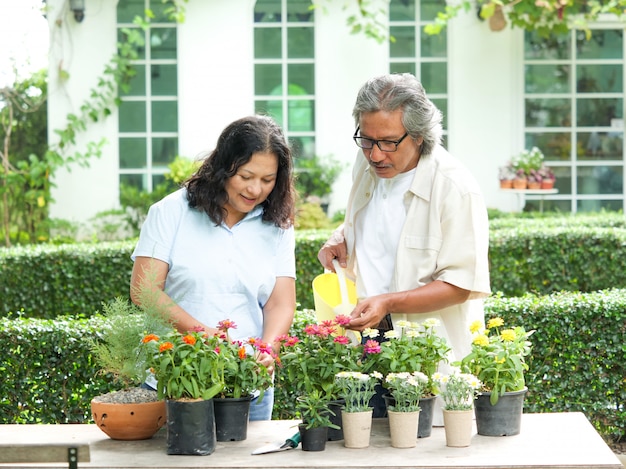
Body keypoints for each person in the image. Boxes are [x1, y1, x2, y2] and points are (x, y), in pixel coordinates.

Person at [317, 73, 491, 422]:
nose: (375, 154)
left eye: (388, 142)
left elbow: (461, 284)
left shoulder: (455, 188)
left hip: (426, 355)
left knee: (422, 448)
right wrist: (341, 237)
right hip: (367, 343)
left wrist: (388, 302)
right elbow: (377, 222)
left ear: (420, 135)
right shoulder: (366, 166)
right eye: (366, 140)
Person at [130, 115, 297, 421]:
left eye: (267, 179)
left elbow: (280, 303)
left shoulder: (277, 224)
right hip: (178, 378)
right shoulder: (172, 212)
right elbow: (144, 290)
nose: (255, 189)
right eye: (246, 176)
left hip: (249, 383)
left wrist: (267, 349)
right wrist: (206, 337)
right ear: (224, 166)